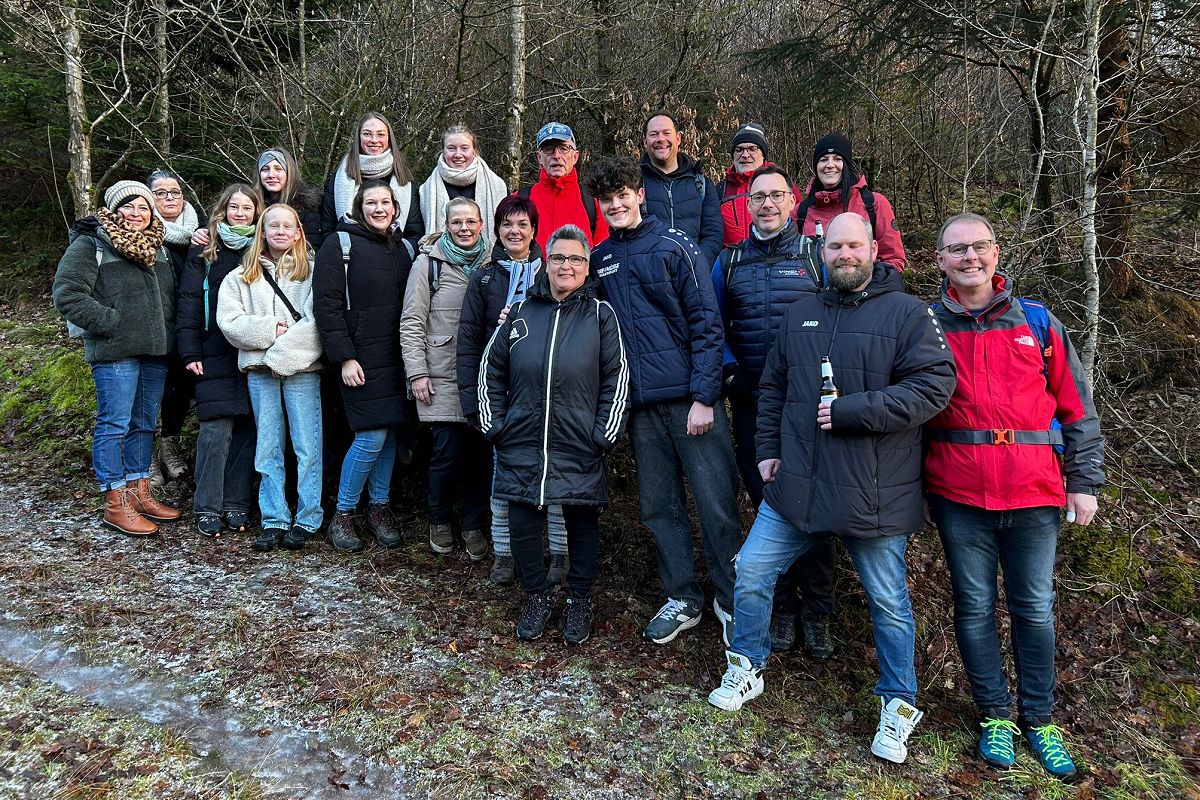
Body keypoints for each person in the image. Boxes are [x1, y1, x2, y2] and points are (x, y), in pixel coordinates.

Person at [707, 213, 956, 768]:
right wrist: (766, 449)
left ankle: (897, 703)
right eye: (835, 245)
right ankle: (747, 664)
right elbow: (772, 386)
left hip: (876, 493)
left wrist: (851, 411)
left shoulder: (910, 314)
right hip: (797, 486)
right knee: (750, 571)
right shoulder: (800, 314)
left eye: (855, 244)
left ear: (874, 249)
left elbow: (935, 387)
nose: (845, 254)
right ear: (822, 251)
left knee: (889, 603)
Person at [925, 212, 1104, 780]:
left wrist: (1083, 480)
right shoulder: (927, 325)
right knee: (974, 608)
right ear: (940, 261)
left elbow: (1076, 409)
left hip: (1033, 493)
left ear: (996, 253)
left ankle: (1040, 719)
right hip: (959, 493)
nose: (969, 257)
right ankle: (995, 715)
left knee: (1033, 608)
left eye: (978, 247)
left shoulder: (1038, 322)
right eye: (957, 250)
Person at [586, 157, 741, 647]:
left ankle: (735, 601)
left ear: (640, 194)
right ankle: (682, 597)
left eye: (623, 195)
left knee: (716, 505)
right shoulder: (601, 257)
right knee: (659, 506)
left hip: (690, 402)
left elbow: (707, 325)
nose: (615, 205)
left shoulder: (678, 247)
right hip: (638, 406)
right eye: (607, 200)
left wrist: (704, 396)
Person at [479, 224, 629, 644]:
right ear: (547, 263)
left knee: (581, 522)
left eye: (575, 259)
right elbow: (491, 369)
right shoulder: (522, 313)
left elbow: (617, 376)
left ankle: (578, 599)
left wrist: (604, 434)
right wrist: (495, 425)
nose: (566, 265)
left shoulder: (601, 315)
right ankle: (537, 596)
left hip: (579, 441)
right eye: (559, 257)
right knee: (524, 521)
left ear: (586, 267)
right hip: (522, 440)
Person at [710, 164, 836, 659]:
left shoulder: (814, 255)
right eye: (756, 197)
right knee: (768, 502)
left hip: (809, 404)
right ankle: (781, 607)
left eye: (775, 196)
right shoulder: (730, 260)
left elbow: (840, 315)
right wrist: (728, 371)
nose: (765, 204)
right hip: (751, 401)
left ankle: (818, 611)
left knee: (817, 502)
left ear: (792, 201)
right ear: (745, 205)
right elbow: (711, 322)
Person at [52, 180, 182, 536]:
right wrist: (112, 323)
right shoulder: (91, 243)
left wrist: (169, 333)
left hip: (155, 352)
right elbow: (67, 295)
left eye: (143, 207)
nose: (136, 214)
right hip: (114, 352)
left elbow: (169, 300)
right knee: (115, 424)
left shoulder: (160, 248)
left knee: (143, 424)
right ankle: (116, 502)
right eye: (128, 206)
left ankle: (140, 491)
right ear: (113, 209)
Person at [456, 195, 570, 585]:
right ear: (497, 231)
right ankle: (504, 553)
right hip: (503, 392)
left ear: (534, 230)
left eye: (522, 224)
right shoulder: (484, 278)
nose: (515, 231)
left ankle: (559, 551)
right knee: (503, 474)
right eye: (507, 224)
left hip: (549, 390)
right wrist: (473, 404)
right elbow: (469, 341)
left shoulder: (551, 271)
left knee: (555, 471)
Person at [217, 204, 324, 552]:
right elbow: (230, 322)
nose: (279, 231)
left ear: (297, 233)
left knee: (307, 446)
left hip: (302, 371)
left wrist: (279, 354)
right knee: (268, 447)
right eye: (272, 225)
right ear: (262, 232)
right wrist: (270, 330)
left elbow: (317, 323)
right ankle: (274, 517)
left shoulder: (312, 273)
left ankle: (308, 516)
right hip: (260, 374)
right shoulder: (240, 277)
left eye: (287, 226)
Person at [314, 180, 414, 553]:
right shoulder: (339, 245)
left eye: (385, 202)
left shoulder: (404, 248)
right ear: (358, 207)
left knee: (389, 433)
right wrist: (344, 356)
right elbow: (326, 306)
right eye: (370, 202)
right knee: (370, 435)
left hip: (397, 356)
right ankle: (344, 513)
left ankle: (380, 506)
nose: (379, 209)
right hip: (361, 358)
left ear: (395, 207)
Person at [400, 197, 492, 559]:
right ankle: (439, 520)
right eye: (457, 222)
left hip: (485, 378)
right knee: (447, 454)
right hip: (441, 375)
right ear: (446, 225)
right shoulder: (429, 264)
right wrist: (417, 372)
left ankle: (472, 524)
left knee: (481, 456)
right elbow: (411, 321)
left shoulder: (493, 262)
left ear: (482, 224)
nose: (464, 228)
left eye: (471, 222)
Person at [177, 183, 262, 538]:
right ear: (223, 210)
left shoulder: (260, 249)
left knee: (246, 429)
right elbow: (189, 303)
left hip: (252, 349)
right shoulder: (205, 250)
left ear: (256, 213)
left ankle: (236, 503)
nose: (240, 214)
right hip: (212, 349)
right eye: (234, 207)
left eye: (247, 208)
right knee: (215, 430)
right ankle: (207, 506)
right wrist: (190, 351)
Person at [148, 168, 204, 484]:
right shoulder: (142, 232)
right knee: (150, 394)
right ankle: (146, 459)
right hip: (153, 327)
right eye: (161, 193)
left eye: (176, 192)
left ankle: (170, 447)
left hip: (185, 327)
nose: (170, 198)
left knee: (180, 390)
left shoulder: (196, 232)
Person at [798, 133, 906, 270]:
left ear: (847, 164)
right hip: (814, 291)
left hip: (867, 288)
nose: (830, 165)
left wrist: (866, 286)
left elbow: (894, 260)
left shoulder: (874, 204)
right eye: (823, 160)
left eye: (837, 159)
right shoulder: (800, 212)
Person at [322, 111, 423, 256]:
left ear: (389, 138)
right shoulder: (341, 177)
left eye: (381, 134)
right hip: (351, 258)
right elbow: (328, 228)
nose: (374, 140)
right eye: (367, 134)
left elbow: (414, 231)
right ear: (358, 138)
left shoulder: (403, 178)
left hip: (395, 258)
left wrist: (402, 257)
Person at [639, 112, 723, 266]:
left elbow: (713, 234)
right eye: (653, 134)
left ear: (678, 138)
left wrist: (697, 266)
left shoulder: (701, 184)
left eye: (666, 133)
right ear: (645, 141)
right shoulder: (635, 184)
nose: (660, 139)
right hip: (650, 277)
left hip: (695, 275)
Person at [516, 122, 608, 252]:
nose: (557, 156)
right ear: (539, 157)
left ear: (575, 157)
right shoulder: (519, 199)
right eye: (549, 149)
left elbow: (603, 255)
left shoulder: (594, 201)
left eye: (564, 149)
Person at [716, 123, 800, 247]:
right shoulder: (720, 189)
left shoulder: (782, 184)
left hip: (778, 258)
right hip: (734, 262)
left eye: (752, 149)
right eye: (739, 149)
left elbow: (800, 221)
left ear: (763, 153)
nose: (745, 155)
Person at [420, 124, 508, 237]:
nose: (458, 154)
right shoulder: (426, 190)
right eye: (451, 148)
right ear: (443, 151)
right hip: (439, 253)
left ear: (474, 151)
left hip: (489, 254)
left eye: (464, 148)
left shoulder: (497, 186)